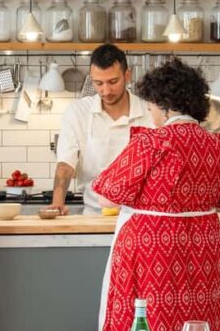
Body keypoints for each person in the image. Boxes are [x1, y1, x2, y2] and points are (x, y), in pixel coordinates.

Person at [87, 59, 220, 331]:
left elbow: (107, 194)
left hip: (153, 248)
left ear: (164, 104)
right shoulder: (217, 144)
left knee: (152, 321)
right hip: (203, 249)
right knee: (201, 319)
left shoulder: (152, 142)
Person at [50, 44, 152, 215]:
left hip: (141, 217)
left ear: (127, 75)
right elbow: (66, 164)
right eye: (98, 83)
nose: (106, 91)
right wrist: (57, 202)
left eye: (113, 82)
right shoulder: (78, 112)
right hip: (94, 215)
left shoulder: (149, 112)